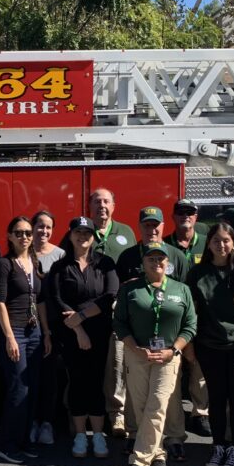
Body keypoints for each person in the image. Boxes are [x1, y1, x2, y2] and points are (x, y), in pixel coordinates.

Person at [113, 242, 197, 466]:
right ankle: (158, 452)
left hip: (168, 357)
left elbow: (190, 325)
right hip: (138, 354)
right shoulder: (131, 289)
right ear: (143, 263)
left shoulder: (182, 290)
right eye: (151, 259)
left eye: (161, 258)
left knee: (158, 403)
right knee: (140, 405)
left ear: (168, 263)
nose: (156, 262)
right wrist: (134, 347)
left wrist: (173, 350)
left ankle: (138, 459)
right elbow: (119, 323)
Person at [187, 222, 234, 466]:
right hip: (209, 347)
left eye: (226, 240)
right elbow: (192, 312)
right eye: (216, 240)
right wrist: (190, 346)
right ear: (208, 244)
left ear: (233, 244)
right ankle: (218, 445)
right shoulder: (197, 273)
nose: (221, 245)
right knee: (216, 400)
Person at [45, 216, 119, 459]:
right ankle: (79, 435)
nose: (83, 236)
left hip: (99, 334)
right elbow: (56, 300)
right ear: (71, 235)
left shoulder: (105, 263)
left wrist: (83, 316)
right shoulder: (60, 266)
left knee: (96, 382)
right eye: (78, 232)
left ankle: (97, 436)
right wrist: (78, 329)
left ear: (93, 236)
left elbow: (109, 296)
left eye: (87, 233)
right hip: (70, 336)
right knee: (76, 382)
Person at [0, 216, 50, 464]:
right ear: (10, 236)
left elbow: (41, 301)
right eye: (19, 233)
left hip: (34, 333)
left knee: (32, 388)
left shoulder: (33, 261)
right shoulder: (5, 264)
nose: (24, 237)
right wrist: (9, 337)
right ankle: (7, 444)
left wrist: (46, 333)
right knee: (18, 390)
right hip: (16, 334)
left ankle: (24, 441)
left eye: (27, 232)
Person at [86, 188, 137, 441]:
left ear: (114, 205)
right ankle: (85, 411)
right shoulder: (82, 231)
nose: (102, 206)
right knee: (91, 361)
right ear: (90, 207)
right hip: (90, 310)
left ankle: (116, 414)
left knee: (117, 363)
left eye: (106, 201)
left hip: (119, 308)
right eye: (97, 202)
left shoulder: (126, 233)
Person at [165, 198, 212, 440]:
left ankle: (200, 413)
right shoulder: (164, 246)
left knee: (199, 368)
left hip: (200, 317)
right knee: (174, 367)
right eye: (181, 212)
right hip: (171, 319)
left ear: (196, 217)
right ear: (173, 217)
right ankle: (173, 415)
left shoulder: (207, 244)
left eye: (190, 212)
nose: (186, 216)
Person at [31, 210, 66, 445]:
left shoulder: (60, 256)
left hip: (54, 326)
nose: (44, 231)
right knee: (29, 378)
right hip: (26, 325)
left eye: (48, 227)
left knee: (51, 378)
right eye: (40, 226)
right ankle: (31, 421)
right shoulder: (21, 253)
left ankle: (47, 423)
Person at [115, 206, 189, 283]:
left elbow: (186, 290)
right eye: (147, 225)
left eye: (155, 225)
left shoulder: (177, 257)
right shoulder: (127, 257)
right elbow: (119, 290)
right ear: (139, 226)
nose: (151, 230)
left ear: (163, 226)